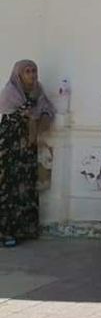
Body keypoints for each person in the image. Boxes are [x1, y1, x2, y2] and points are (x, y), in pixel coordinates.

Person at [0, 60, 54, 247]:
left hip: (28, 145)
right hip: (11, 145)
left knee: (27, 183)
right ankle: (6, 232)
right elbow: (22, 112)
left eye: (34, 71)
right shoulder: (10, 92)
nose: (32, 75)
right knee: (9, 186)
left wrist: (41, 118)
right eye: (27, 71)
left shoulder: (37, 90)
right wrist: (33, 116)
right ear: (19, 75)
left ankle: (25, 229)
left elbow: (46, 109)